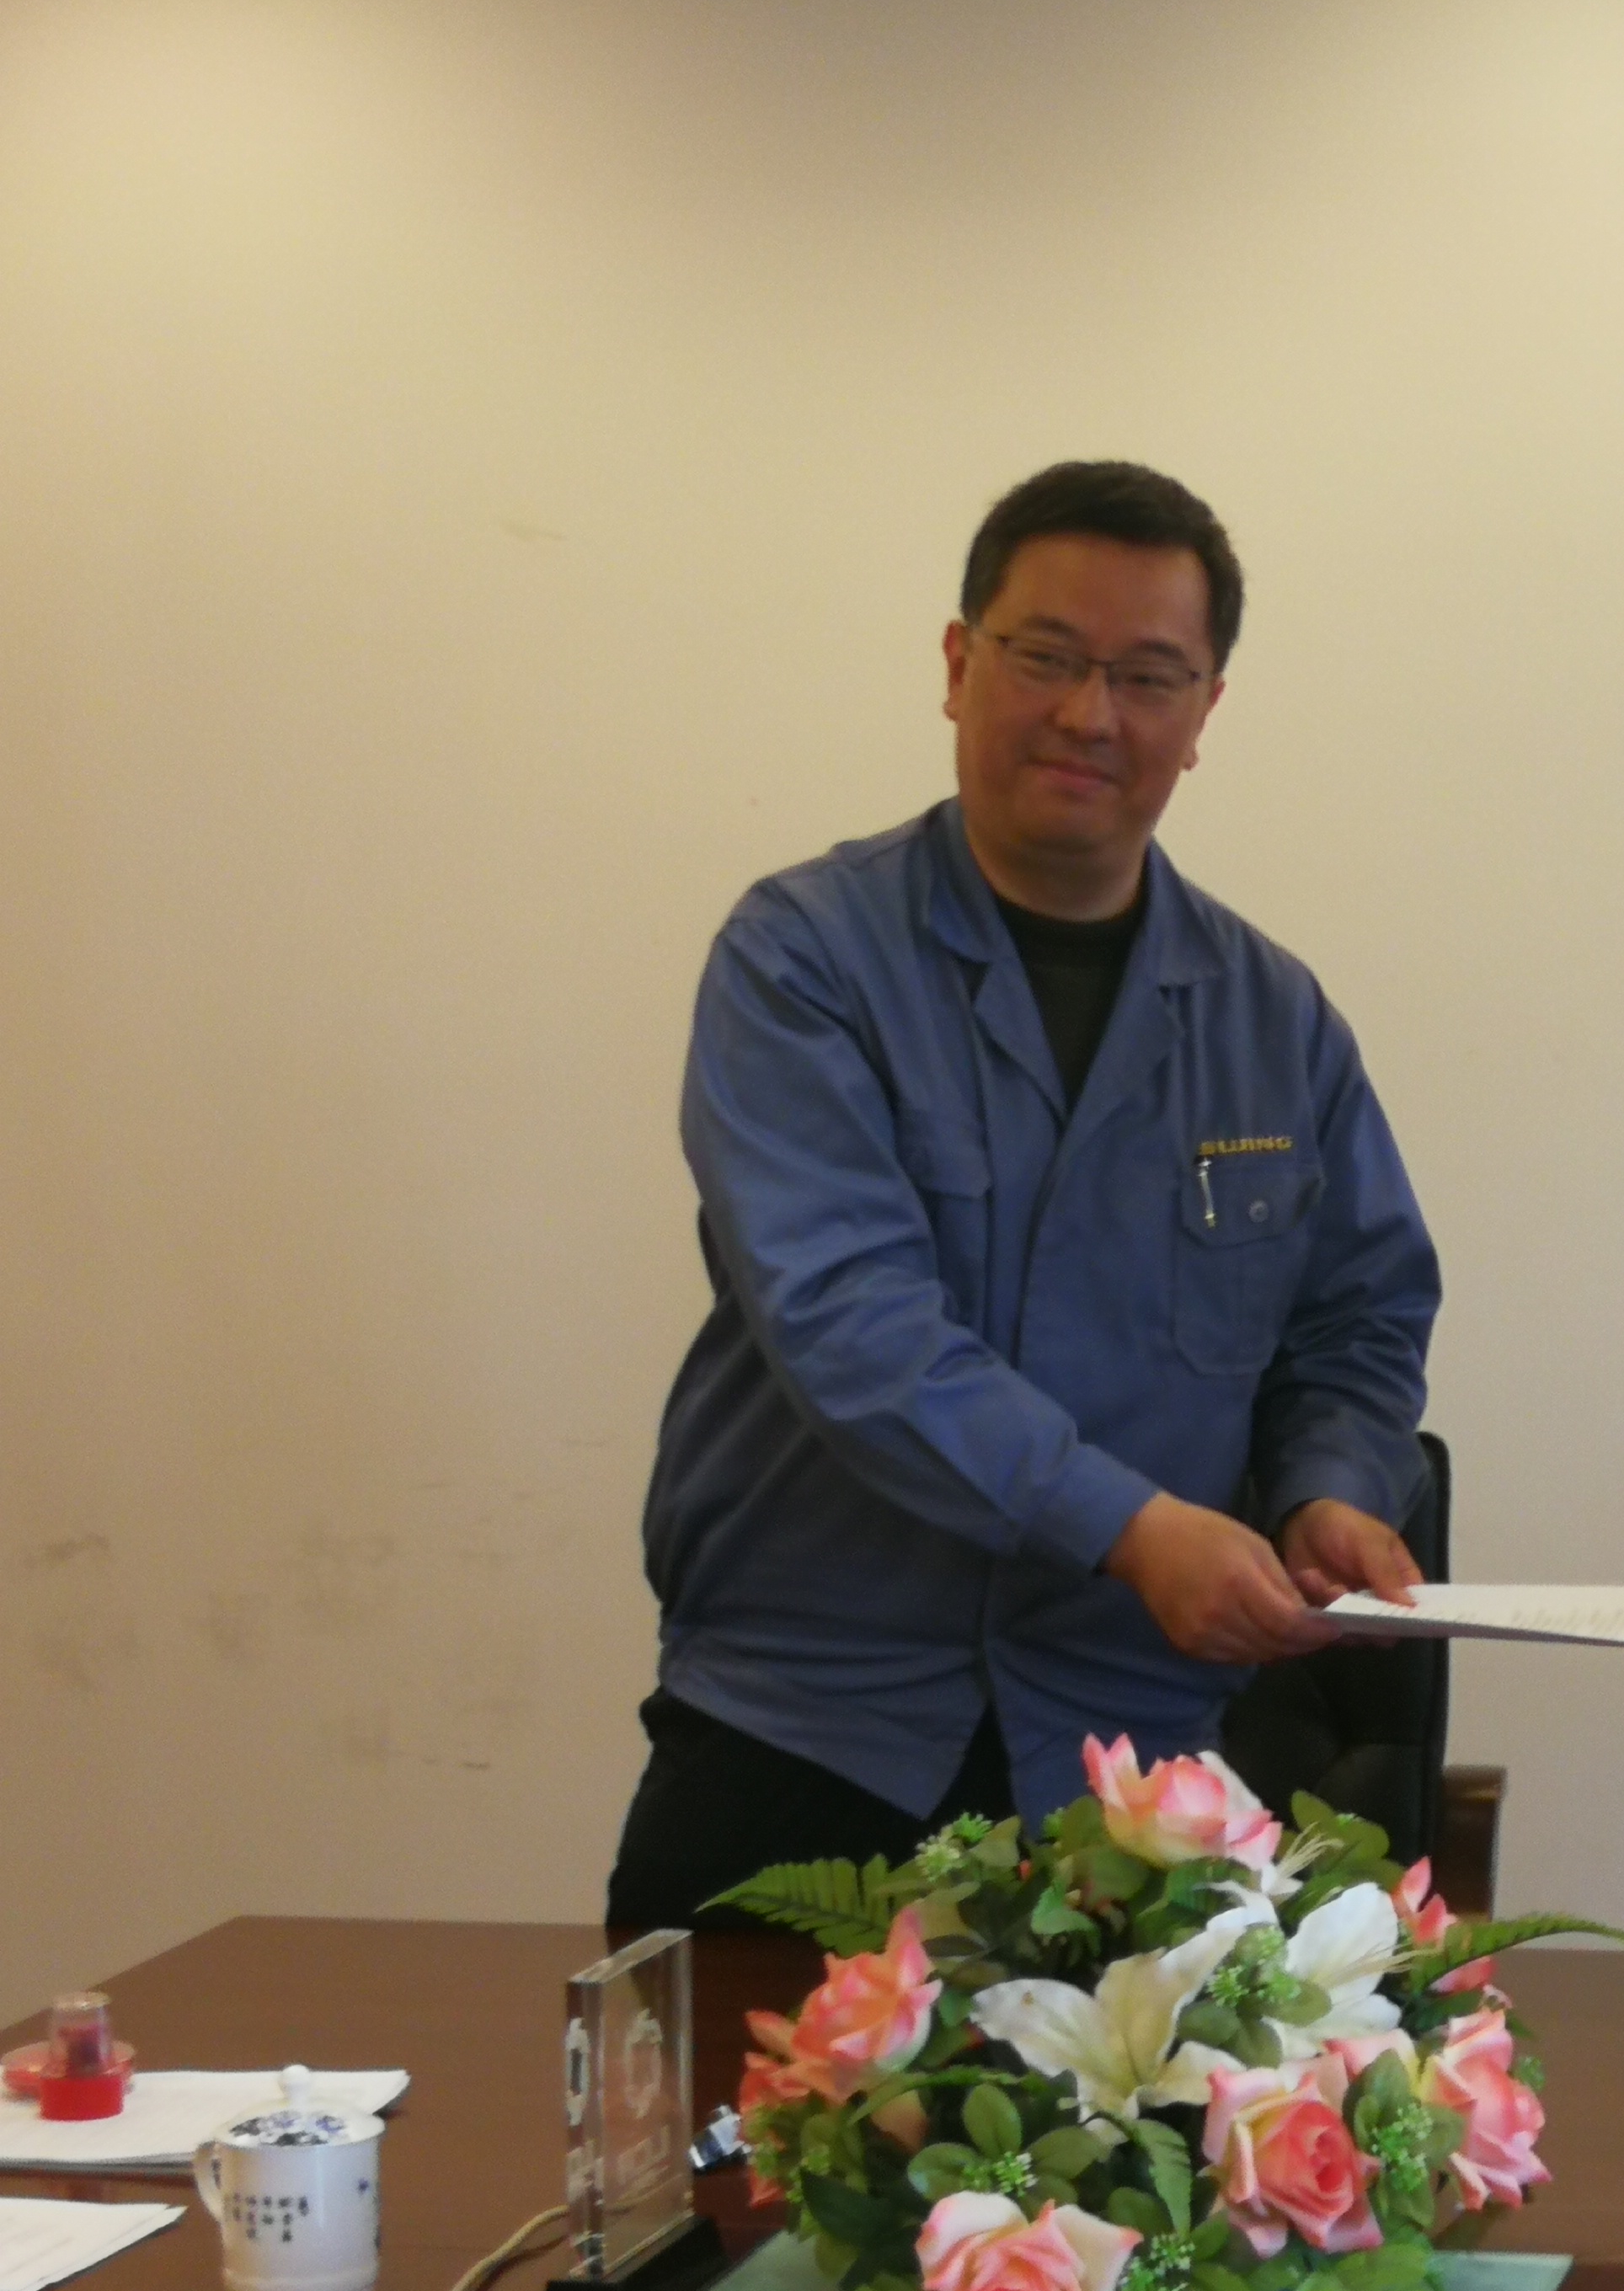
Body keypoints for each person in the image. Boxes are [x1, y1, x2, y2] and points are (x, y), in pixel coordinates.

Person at [606, 462, 1440, 1929]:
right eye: (1045, 656)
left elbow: (1359, 1318)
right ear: (956, 663)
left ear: (1204, 712)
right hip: (813, 1731)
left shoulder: (1273, 1019)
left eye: (1147, 677)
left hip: (1130, 1758)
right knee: (712, 2092)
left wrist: (1329, 1487)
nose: (1089, 714)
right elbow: (848, 1319)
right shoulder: (804, 961)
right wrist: (1133, 1528)